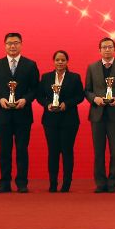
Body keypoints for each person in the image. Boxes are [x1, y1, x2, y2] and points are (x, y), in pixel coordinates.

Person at [0, 32, 40, 193]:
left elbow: (35, 89)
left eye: (16, 43)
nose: (12, 46)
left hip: (23, 114)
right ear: (5, 45)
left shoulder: (30, 65)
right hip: (2, 114)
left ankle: (22, 183)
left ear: (21, 44)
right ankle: (4, 183)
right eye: (9, 43)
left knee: (22, 149)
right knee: (4, 150)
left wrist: (25, 100)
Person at [83, 37, 115, 193]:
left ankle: (112, 183)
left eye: (110, 47)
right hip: (97, 115)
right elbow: (87, 90)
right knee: (98, 151)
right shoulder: (92, 67)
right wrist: (94, 99)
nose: (107, 49)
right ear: (99, 50)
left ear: (114, 49)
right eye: (104, 47)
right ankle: (100, 183)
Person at [37, 50, 85, 192]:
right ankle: (53, 183)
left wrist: (66, 104)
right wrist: (47, 104)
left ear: (67, 61)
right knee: (53, 152)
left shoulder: (74, 77)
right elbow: (39, 96)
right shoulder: (46, 77)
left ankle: (66, 183)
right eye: (57, 60)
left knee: (67, 151)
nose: (60, 62)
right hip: (50, 120)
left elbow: (80, 96)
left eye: (63, 60)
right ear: (53, 61)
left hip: (69, 120)